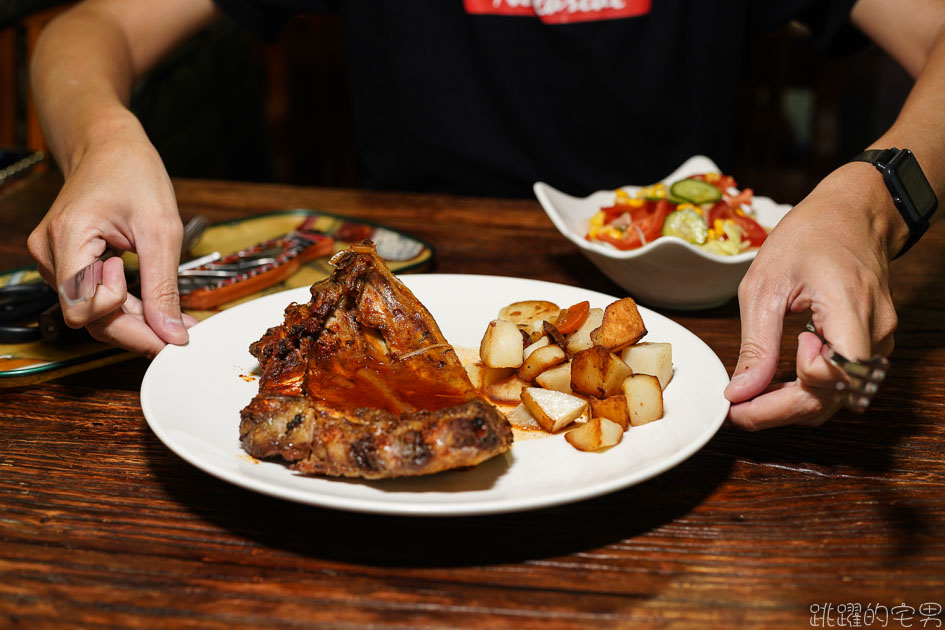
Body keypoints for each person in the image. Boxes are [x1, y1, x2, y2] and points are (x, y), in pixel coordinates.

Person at [26, 0, 945, 431]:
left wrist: (871, 201)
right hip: (395, 299)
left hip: (714, 324)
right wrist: (100, 138)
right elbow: (87, 26)